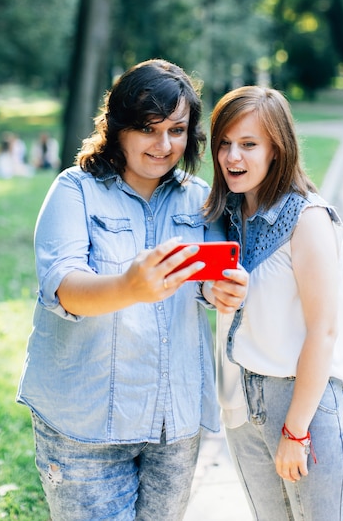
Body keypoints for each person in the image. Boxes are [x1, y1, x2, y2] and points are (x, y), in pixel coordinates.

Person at [16, 59, 247, 521]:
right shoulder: (74, 191)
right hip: (85, 424)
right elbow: (62, 289)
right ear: (119, 128)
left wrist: (223, 294)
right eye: (148, 128)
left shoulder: (199, 197)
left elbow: (210, 281)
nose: (164, 146)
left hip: (173, 422)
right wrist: (128, 286)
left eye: (177, 130)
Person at [203, 85, 343, 520]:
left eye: (249, 145)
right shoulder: (227, 218)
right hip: (244, 410)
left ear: (278, 149)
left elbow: (323, 331)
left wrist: (296, 430)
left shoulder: (307, 219)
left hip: (306, 409)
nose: (233, 157)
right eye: (224, 144)